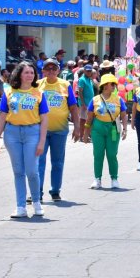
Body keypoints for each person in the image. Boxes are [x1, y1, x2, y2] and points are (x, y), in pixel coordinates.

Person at [0, 62, 49, 218]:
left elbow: (44, 119)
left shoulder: (39, 93)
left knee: (32, 171)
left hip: (33, 132)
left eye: (32, 72)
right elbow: (2, 115)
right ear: (19, 74)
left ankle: (36, 202)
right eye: (26, 72)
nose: (30, 75)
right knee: (18, 172)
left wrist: (42, 141)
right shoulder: (9, 92)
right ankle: (20, 207)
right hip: (12, 133)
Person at [37, 58, 79, 201]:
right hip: (40, 131)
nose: (51, 71)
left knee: (57, 162)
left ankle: (55, 190)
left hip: (60, 130)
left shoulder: (65, 85)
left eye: (53, 69)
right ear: (43, 71)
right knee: (39, 162)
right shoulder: (37, 85)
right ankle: (37, 192)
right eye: (47, 69)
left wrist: (77, 127)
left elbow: (73, 107)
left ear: (58, 70)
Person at [82, 73, 128, 189]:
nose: (114, 86)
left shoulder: (118, 99)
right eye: (112, 84)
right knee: (98, 154)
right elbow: (89, 117)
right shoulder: (95, 100)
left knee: (112, 154)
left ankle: (114, 178)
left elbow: (123, 115)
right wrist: (86, 133)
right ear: (105, 85)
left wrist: (125, 129)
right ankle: (97, 179)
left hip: (113, 128)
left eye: (115, 84)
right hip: (98, 129)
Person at [77, 64, 97, 134]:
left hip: (90, 103)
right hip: (84, 104)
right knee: (83, 120)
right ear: (84, 71)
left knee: (88, 119)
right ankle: (81, 135)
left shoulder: (89, 79)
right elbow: (80, 92)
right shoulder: (82, 79)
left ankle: (87, 134)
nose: (89, 72)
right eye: (87, 71)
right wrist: (83, 103)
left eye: (90, 71)